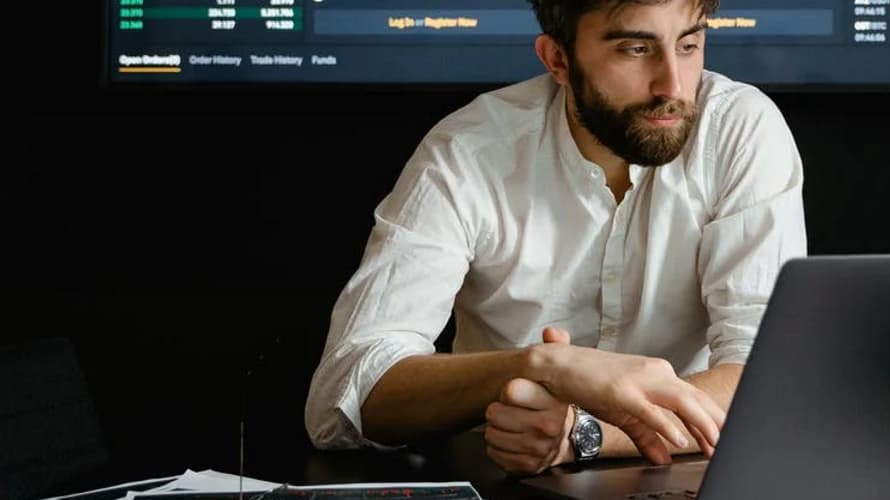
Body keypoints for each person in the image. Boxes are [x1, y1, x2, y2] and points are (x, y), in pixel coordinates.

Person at [304, 0, 807, 475]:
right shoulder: (468, 152)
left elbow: (768, 377)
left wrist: (583, 435)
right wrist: (544, 367)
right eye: (635, 49)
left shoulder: (739, 129)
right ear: (558, 59)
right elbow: (343, 399)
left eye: (689, 45)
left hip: (690, 475)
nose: (672, 85)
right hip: (501, 478)